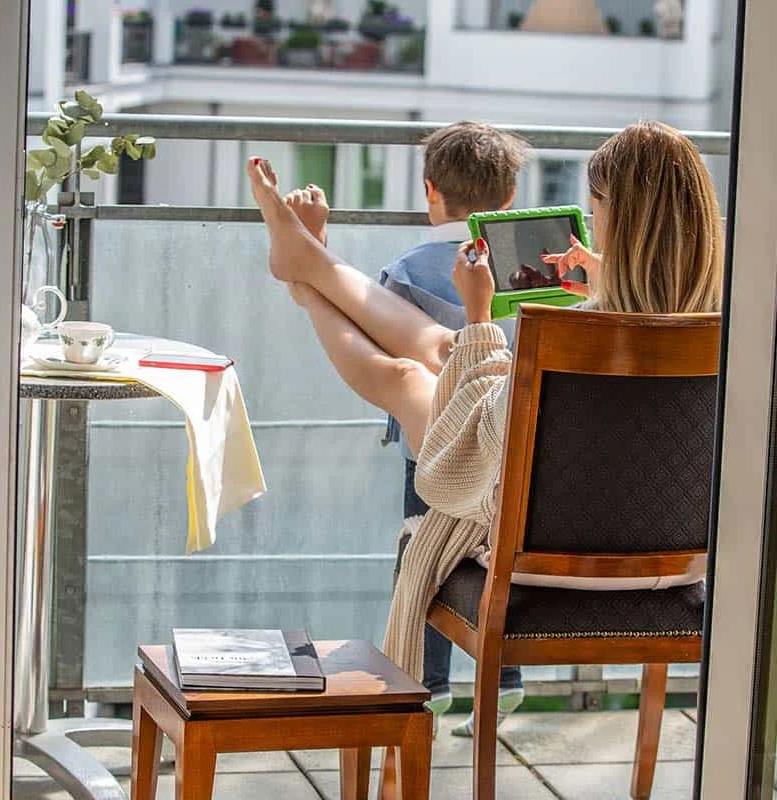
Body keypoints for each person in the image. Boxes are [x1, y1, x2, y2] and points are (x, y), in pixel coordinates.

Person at [246, 119, 722, 733]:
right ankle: (308, 265)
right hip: (677, 564)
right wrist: (600, 275)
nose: (593, 224)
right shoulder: (725, 325)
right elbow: (651, 317)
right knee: (434, 360)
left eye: (598, 210)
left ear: (619, 221)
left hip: (534, 548)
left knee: (416, 373)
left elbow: (480, 445)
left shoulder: (578, 334)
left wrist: (478, 314)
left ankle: (308, 276)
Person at [284, 121, 528, 737]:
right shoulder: (536, 272)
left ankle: (430, 682)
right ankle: (505, 681)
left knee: (424, 549)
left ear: (430, 190)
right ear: (509, 200)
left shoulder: (411, 269)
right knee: (501, 551)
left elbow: (362, 335)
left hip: (439, 446)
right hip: (519, 449)